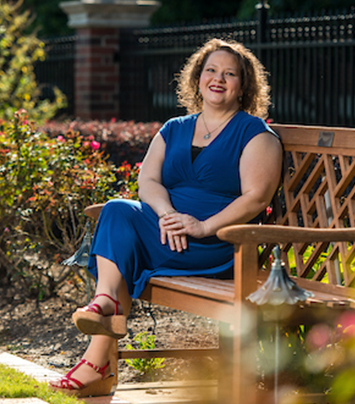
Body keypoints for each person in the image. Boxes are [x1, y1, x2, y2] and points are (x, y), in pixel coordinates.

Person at [48, 38, 283, 397]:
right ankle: (105, 306)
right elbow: (148, 181)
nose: (218, 79)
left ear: (243, 85)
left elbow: (257, 198)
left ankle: (98, 358)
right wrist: (168, 214)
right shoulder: (174, 127)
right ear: (197, 78)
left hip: (216, 244)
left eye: (230, 73)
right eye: (211, 71)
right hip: (166, 231)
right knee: (117, 209)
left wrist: (202, 226)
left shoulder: (255, 135)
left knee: (123, 248)